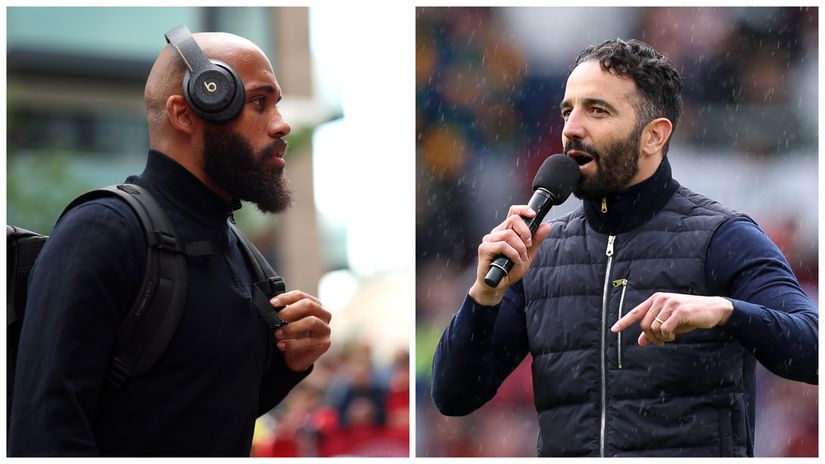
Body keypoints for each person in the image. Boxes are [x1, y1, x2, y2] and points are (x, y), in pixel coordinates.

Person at [431, 38, 817, 457]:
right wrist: (484, 297)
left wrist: (725, 311)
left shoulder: (723, 236)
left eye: (597, 110)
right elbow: (454, 396)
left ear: (654, 136)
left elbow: (814, 349)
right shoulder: (540, 252)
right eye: (567, 110)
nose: (571, 128)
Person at [9, 28, 332, 456]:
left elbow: (195, 417)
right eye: (259, 102)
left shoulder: (245, 258)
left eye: (277, 103)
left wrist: (291, 362)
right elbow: (43, 434)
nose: (282, 123)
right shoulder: (103, 230)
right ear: (186, 112)